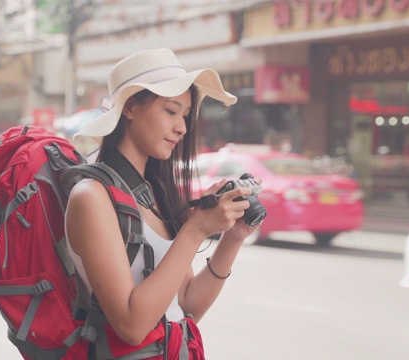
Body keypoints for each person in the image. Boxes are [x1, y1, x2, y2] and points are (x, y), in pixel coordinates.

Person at [66, 48, 262, 359]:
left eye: (185, 115)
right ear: (130, 108)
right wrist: (195, 230)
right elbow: (131, 326)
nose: (183, 128)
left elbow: (187, 304)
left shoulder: (153, 193)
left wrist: (232, 237)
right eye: (171, 111)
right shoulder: (91, 196)